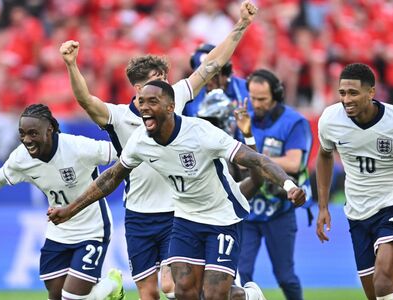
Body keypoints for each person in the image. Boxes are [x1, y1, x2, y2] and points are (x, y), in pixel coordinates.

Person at [59, 2, 258, 299]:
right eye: (157, 80)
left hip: (176, 210)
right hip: (138, 213)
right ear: (138, 89)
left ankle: (245, 293)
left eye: (164, 80)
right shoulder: (117, 116)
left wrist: (241, 25)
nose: (164, 85)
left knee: (173, 287)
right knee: (149, 293)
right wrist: (72, 65)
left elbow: (211, 66)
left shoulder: (172, 98)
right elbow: (86, 101)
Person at [49, 81, 306, 300]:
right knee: (183, 292)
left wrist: (288, 184)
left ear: (170, 107)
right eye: (141, 102)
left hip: (223, 216)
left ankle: (249, 295)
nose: (144, 108)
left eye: (152, 101)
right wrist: (70, 209)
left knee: (215, 295)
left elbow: (256, 160)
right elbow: (111, 178)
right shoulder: (140, 141)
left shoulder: (201, 133)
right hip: (185, 218)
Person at [0, 104, 123, 300]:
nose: (27, 140)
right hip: (58, 232)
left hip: (93, 229)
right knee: (56, 296)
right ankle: (106, 287)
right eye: (22, 134)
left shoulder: (78, 147)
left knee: (72, 297)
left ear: (49, 129)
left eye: (33, 133)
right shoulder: (21, 158)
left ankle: (111, 284)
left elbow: (123, 153)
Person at [315, 63, 393, 300]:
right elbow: (324, 155)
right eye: (342, 93)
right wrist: (322, 206)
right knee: (377, 293)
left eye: (353, 93)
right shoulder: (330, 119)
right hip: (357, 212)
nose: (346, 99)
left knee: (383, 281)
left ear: (371, 93)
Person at [233, 69, 312, 300]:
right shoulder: (241, 120)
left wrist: (258, 162)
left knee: (285, 275)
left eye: (262, 99)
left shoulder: (294, 122)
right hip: (247, 212)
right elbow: (234, 162)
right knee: (241, 273)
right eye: (253, 98)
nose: (256, 104)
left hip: (280, 210)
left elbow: (295, 163)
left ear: (277, 95)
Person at [182, 43, 249, 117]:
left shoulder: (247, 91)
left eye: (213, 76)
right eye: (201, 76)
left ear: (226, 73)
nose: (207, 81)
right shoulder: (190, 95)